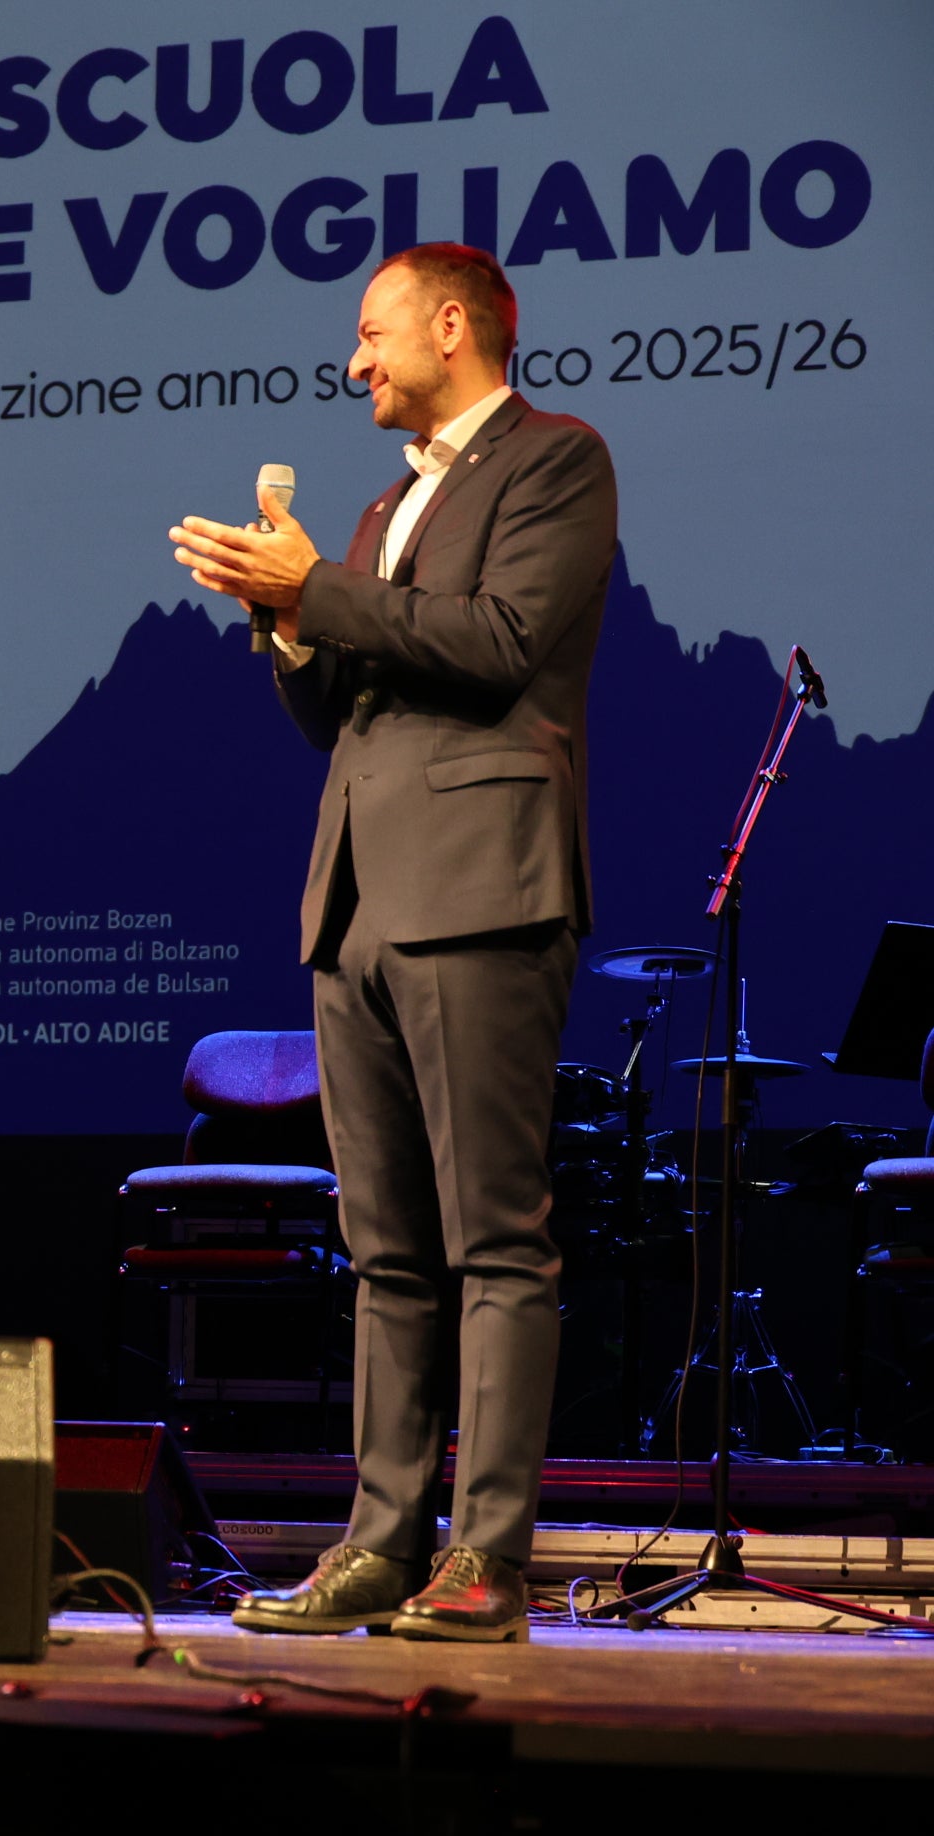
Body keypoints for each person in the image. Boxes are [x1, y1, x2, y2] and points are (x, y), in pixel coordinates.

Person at [169, 245, 617, 1642]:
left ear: (450, 324)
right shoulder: (381, 506)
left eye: (370, 334)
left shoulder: (556, 462)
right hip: (358, 902)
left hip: (483, 889)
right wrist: (285, 626)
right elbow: (341, 715)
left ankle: (485, 1558)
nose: (354, 362)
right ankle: (377, 1546)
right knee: (385, 1254)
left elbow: (498, 643)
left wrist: (321, 596)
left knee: (495, 1243)